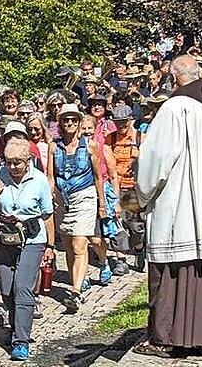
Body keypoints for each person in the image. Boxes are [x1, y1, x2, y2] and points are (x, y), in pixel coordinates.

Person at [133, 54, 202, 358]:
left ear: (174, 78)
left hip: (177, 208)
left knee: (169, 271)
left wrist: (140, 196)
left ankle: (163, 338)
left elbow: (154, 164)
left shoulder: (174, 108)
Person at [0, 138, 55, 361]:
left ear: (28, 161)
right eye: (9, 162)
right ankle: (16, 327)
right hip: (4, 238)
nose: (13, 167)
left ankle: (21, 340)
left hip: (32, 239)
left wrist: (50, 247)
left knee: (23, 288)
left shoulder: (39, 180)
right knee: (7, 289)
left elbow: (47, 215)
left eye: (18, 162)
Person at [46, 104, 108, 313]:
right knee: (69, 245)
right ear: (61, 123)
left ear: (79, 122)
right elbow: (51, 177)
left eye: (73, 120)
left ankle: (75, 291)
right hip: (62, 199)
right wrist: (48, 199)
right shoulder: (54, 147)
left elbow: (98, 176)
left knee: (80, 244)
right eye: (66, 120)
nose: (70, 123)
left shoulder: (89, 145)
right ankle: (77, 283)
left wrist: (102, 204)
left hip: (85, 196)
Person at [81, 115, 121, 283]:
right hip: (81, 195)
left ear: (96, 129)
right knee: (81, 238)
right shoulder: (75, 149)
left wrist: (117, 202)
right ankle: (80, 278)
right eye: (83, 128)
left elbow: (113, 176)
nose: (86, 131)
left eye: (90, 128)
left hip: (101, 193)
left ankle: (104, 263)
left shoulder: (103, 148)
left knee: (97, 239)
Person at [105, 105, 142, 274]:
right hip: (115, 187)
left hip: (133, 188)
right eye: (117, 122)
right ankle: (122, 260)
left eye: (123, 122)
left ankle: (139, 248)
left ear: (130, 120)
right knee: (118, 225)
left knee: (135, 226)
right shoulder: (109, 139)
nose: (120, 126)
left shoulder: (140, 137)